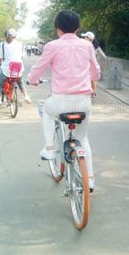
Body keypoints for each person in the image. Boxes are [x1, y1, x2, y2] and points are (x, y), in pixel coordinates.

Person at [28, 10, 100, 190]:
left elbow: (38, 69)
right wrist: (91, 77)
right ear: (77, 28)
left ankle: (50, 148)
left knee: (46, 110)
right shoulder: (87, 46)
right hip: (84, 101)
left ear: (58, 28)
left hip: (60, 101)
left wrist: (32, 80)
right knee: (82, 138)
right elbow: (96, 72)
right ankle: (89, 179)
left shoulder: (52, 46)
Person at [0, 29, 31, 111]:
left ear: (5, 36)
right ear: (15, 36)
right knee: (20, 82)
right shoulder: (21, 44)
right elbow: (22, 57)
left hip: (7, 70)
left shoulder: (3, 45)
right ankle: (26, 96)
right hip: (18, 69)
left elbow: (0, 57)